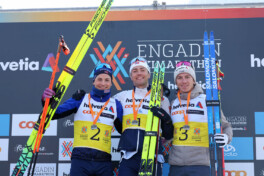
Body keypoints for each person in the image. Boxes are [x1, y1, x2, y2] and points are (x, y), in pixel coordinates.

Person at [41, 63, 123, 176]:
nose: (103, 83)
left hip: (103, 162)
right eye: (99, 79)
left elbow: (126, 131)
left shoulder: (116, 105)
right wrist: (46, 101)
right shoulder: (81, 99)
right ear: (93, 81)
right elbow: (55, 114)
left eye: (107, 80)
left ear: (111, 82)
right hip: (80, 160)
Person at [167, 61, 233, 176]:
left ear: (193, 79)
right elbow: (169, 133)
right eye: (179, 78)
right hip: (176, 165)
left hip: (200, 165)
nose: (184, 81)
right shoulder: (173, 103)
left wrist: (226, 137)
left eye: (187, 77)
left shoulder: (206, 100)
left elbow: (226, 126)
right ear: (175, 82)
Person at [113, 57, 172, 176]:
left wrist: (165, 118)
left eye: (142, 70)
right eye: (135, 71)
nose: (139, 73)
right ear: (130, 76)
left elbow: (169, 134)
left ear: (149, 74)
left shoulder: (161, 99)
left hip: (152, 156)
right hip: (129, 157)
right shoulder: (121, 97)